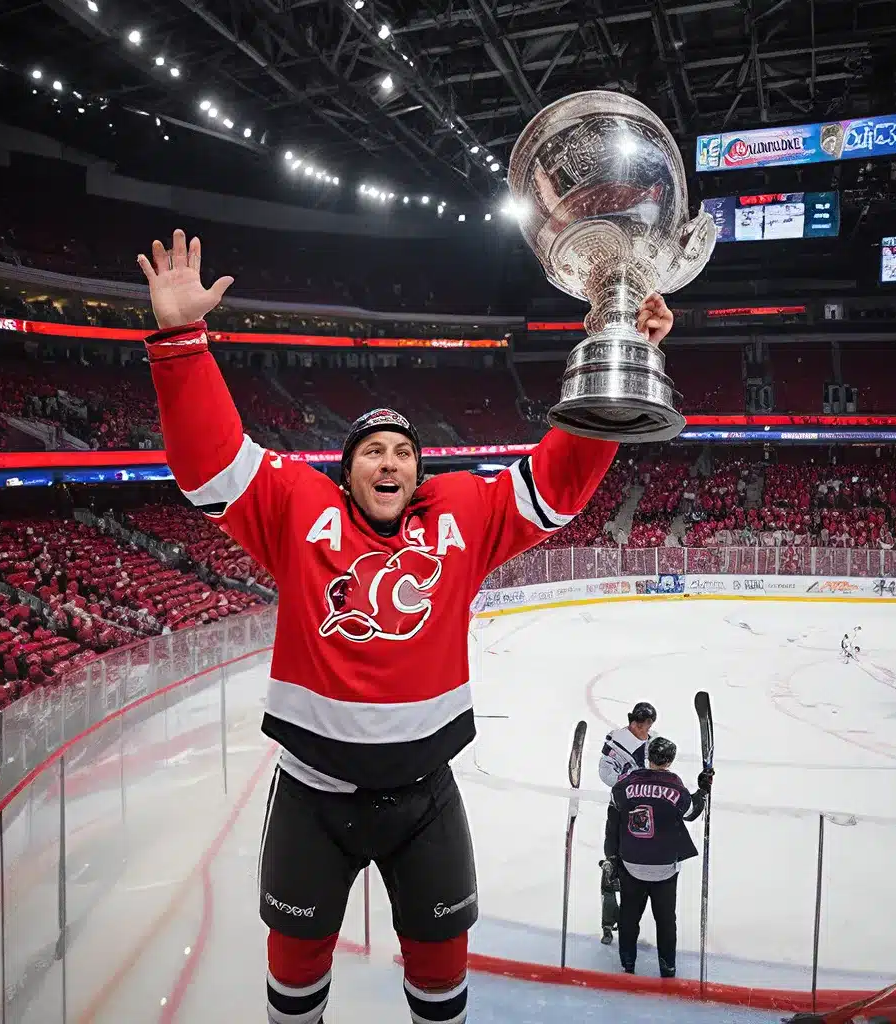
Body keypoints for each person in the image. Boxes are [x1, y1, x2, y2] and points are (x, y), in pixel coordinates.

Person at [137, 229, 676, 1024]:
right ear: (347, 469)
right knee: (292, 986)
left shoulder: (459, 514)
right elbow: (209, 464)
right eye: (371, 453)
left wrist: (616, 345)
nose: (388, 464)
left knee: (439, 985)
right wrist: (182, 341)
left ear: (418, 472)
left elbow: (557, 487)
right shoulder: (295, 509)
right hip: (311, 799)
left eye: (401, 453)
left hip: (426, 798)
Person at [605, 735, 713, 977]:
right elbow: (691, 811)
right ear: (671, 760)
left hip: (631, 861)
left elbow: (614, 811)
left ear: (647, 756)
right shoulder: (675, 787)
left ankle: (627, 963)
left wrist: (611, 855)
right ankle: (667, 966)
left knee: (628, 916)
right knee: (665, 920)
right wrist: (703, 790)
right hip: (664, 866)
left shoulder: (626, 784)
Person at [597, 701, 657, 944]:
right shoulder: (616, 742)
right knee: (612, 864)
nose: (647, 730)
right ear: (634, 722)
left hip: (643, 813)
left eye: (650, 726)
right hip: (620, 809)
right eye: (644, 726)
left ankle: (629, 921)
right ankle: (608, 920)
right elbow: (606, 773)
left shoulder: (654, 742)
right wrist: (631, 782)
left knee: (636, 868)